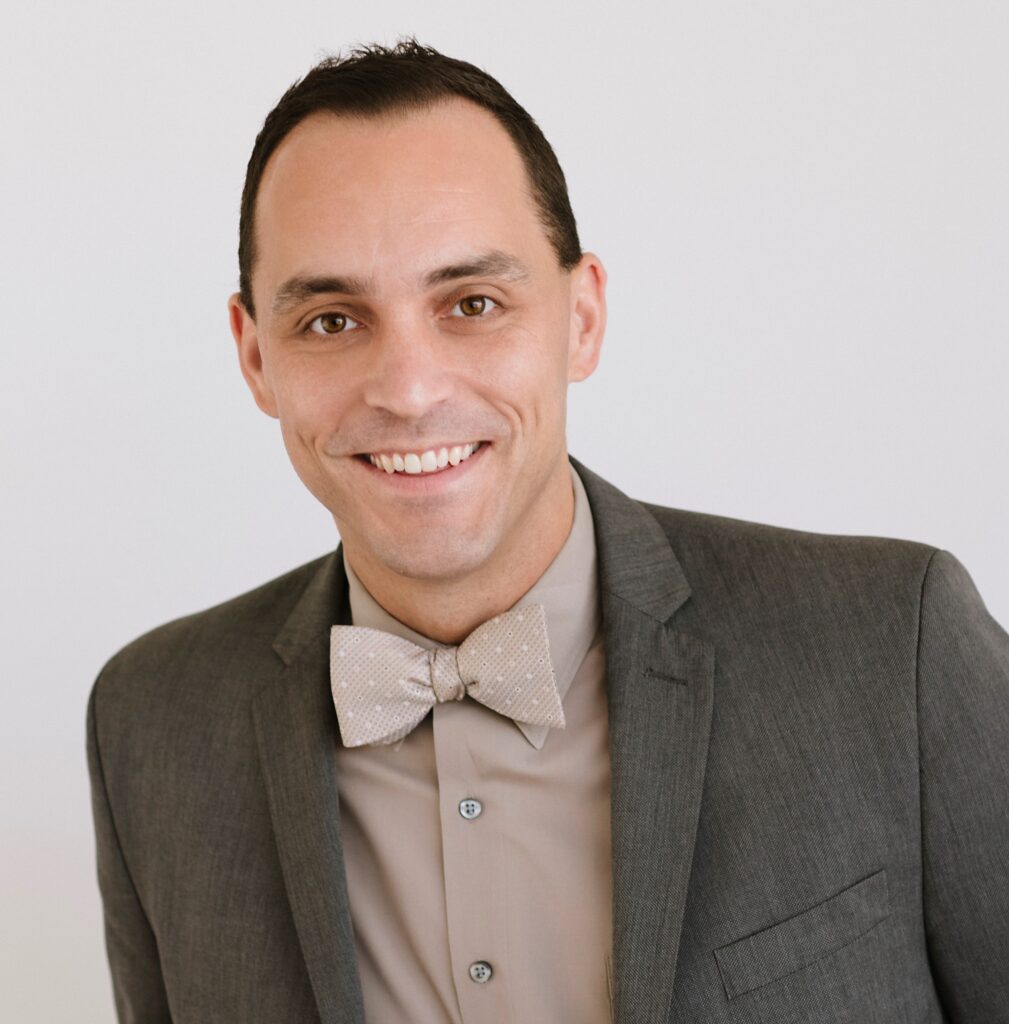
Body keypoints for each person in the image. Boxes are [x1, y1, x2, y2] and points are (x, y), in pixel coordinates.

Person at [87, 40, 1009, 1024]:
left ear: (581, 317)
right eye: (329, 319)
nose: (408, 390)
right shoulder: (149, 723)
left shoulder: (893, 647)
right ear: (254, 356)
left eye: (472, 303)